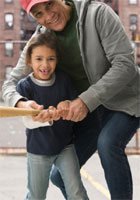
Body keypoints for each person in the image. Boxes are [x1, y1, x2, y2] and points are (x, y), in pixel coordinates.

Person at [2, 0, 140, 199]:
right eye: (39, 14)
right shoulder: (42, 38)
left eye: (49, 5)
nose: (48, 16)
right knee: (59, 177)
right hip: (92, 112)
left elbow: (125, 64)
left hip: (125, 100)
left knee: (108, 143)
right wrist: (21, 102)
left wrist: (84, 101)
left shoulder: (97, 14)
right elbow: (10, 83)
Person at [16, 31, 89, 200]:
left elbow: (74, 107)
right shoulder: (25, 87)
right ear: (29, 60)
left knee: (76, 192)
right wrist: (46, 117)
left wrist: (68, 105)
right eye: (39, 59)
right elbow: (27, 121)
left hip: (65, 146)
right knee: (36, 195)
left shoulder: (64, 80)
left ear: (57, 60)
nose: (45, 64)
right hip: (38, 150)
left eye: (51, 58)